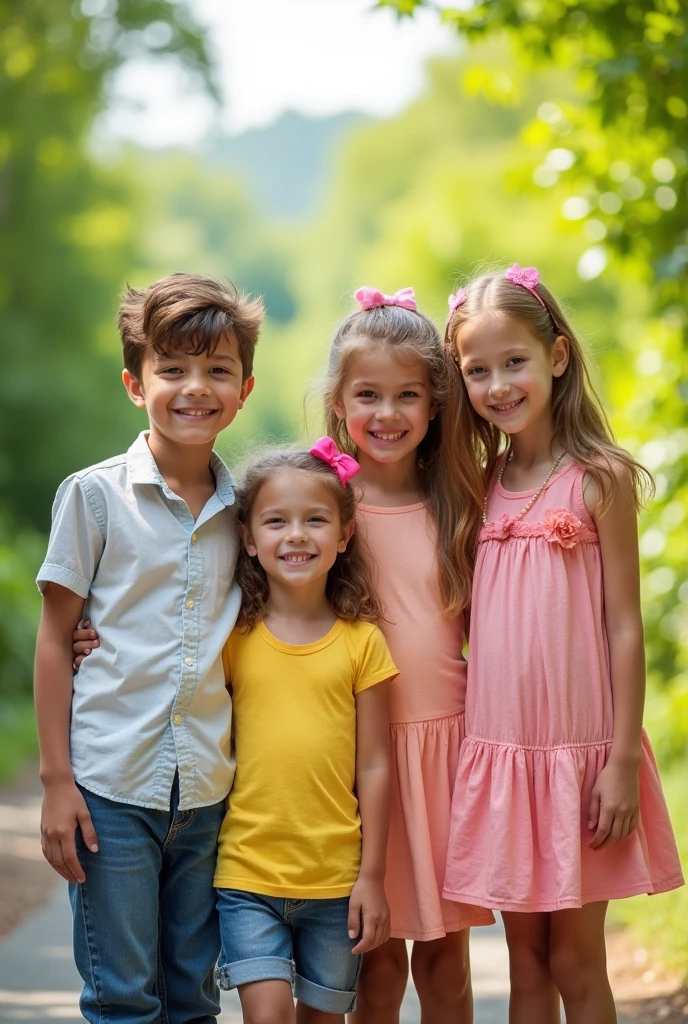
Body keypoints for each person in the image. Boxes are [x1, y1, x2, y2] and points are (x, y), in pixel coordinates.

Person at [442, 264, 684, 1024]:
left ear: (556, 356)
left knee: (577, 961)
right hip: (504, 757)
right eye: (477, 371)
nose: (498, 384)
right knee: (525, 965)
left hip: (581, 759)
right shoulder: (475, 484)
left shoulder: (598, 478)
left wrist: (617, 760)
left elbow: (621, 624)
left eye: (513, 361)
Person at [34, 272, 262, 1024]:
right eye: (173, 369)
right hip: (110, 785)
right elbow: (54, 640)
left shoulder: (252, 510)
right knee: (123, 995)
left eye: (217, 370)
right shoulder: (94, 497)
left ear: (245, 386)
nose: (195, 387)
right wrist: (58, 782)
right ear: (136, 384)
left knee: (193, 994)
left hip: (206, 790)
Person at [323, 286, 493, 1024]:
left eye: (407, 396)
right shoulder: (318, 504)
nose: (387, 414)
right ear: (338, 402)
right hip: (358, 758)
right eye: (368, 395)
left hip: (448, 754)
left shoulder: (462, 500)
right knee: (378, 960)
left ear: (435, 404)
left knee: (449, 963)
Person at [214, 442, 396, 1023]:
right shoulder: (232, 637)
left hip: (336, 884)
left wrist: (372, 877)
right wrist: (84, 639)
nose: (296, 535)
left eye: (315, 519)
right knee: (267, 1016)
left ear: (343, 535)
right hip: (247, 875)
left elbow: (373, 765)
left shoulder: (361, 642)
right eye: (276, 521)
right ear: (248, 538)